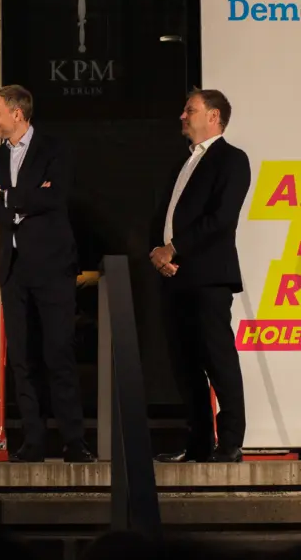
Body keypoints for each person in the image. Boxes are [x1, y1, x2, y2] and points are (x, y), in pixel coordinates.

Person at [0, 85, 93, 463]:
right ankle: (34, 440)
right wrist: (22, 202)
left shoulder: (55, 150)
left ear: (17, 114)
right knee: (22, 358)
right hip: (13, 270)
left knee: (58, 353)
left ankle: (75, 440)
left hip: (53, 268)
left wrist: (5, 196)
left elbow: (54, 198)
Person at [151, 88, 250, 464]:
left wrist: (172, 249)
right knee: (184, 361)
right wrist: (156, 254)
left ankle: (230, 442)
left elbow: (221, 218)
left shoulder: (232, 159)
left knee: (217, 357)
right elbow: (163, 216)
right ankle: (198, 443)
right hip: (174, 276)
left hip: (208, 276)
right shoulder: (184, 161)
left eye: (189, 109)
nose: (182, 115)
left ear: (213, 116)